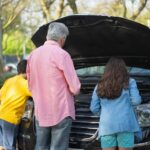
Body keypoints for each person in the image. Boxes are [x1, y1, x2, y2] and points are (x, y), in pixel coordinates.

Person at [27, 22, 81, 150]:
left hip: (40, 111)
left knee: (40, 146)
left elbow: (30, 85)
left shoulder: (33, 55)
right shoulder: (62, 55)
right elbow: (75, 88)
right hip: (61, 111)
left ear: (47, 36)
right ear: (62, 39)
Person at [90, 57, 141, 150]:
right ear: (123, 69)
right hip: (125, 124)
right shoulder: (130, 82)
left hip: (107, 126)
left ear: (107, 69)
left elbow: (93, 108)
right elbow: (136, 101)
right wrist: (128, 109)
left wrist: (104, 114)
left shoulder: (99, 84)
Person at [0, 60, 31, 150]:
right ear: (28, 71)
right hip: (10, 119)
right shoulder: (24, 83)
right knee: (10, 147)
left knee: (2, 146)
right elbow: (37, 94)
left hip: (1, 115)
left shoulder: (9, 80)